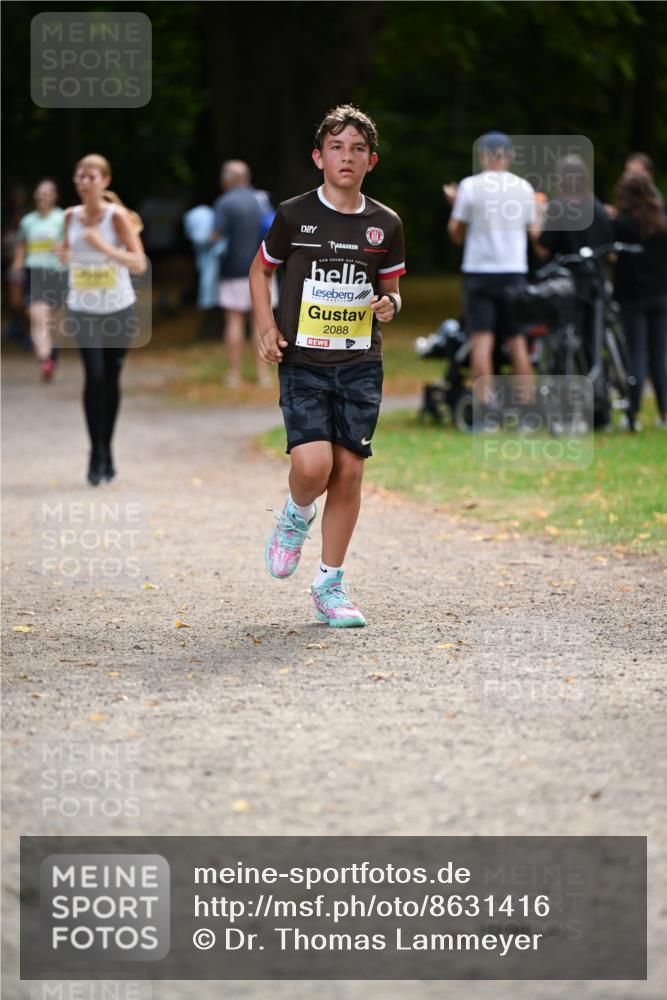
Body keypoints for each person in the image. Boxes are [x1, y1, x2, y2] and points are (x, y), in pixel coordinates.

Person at [249, 104, 405, 628]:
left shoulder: (385, 224)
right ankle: (295, 515)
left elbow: (392, 290)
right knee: (314, 467)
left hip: (360, 363)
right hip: (303, 361)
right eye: (336, 147)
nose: (347, 157)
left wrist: (390, 305)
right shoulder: (294, 215)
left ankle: (329, 585)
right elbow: (259, 271)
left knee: (350, 471)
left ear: (371, 161)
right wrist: (265, 327)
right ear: (318, 157)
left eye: (358, 149)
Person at [62, 154, 146, 485]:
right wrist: (63, 255)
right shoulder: (69, 216)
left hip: (117, 308)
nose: (84, 182)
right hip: (82, 308)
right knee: (94, 376)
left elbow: (139, 263)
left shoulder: (117, 217)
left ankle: (107, 449)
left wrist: (102, 246)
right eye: (80, 176)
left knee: (110, 378)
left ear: (105, 181)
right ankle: (95, 451)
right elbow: (64, 253)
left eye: (91, 176)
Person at [445, 132, 537, 409]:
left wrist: (456, 207)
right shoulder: (524, 188)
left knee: (481, 341)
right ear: (510, 156)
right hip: (514, 271)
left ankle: (485, 407)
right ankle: (526, 407)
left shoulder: (470, 187)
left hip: (479, 272)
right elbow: (532, 231)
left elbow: (456, 234)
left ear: (483, 155)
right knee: (517, 340)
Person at [612, 172, 667, 427]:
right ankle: (664, 413)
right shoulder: (661, 223)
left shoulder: (622, 224)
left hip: (633, 297)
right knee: (659, 355)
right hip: (660, 295)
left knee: (636, 355)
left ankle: (632, 413)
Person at [214, 160, 275, 388]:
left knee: (234, 320)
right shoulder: (262, 199)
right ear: (247, 178)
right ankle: (263, 375)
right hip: (264, 268)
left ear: (227, 180)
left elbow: (216, 236)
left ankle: (234, 375)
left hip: (233, 269)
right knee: (261, 321)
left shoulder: (224, 202)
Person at [9, 179, 67, 380]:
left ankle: (53, 354)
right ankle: (45, 361)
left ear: (55, 196)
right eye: (40, 193)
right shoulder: (28, 221)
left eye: (47, 193)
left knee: (55, 324)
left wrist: (64, 251)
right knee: (38, 319)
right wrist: (17, 265)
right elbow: (21, 245)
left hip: (57, 273)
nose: (43, 197)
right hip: (34, 272)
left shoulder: (63, 218)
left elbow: (71, 244)